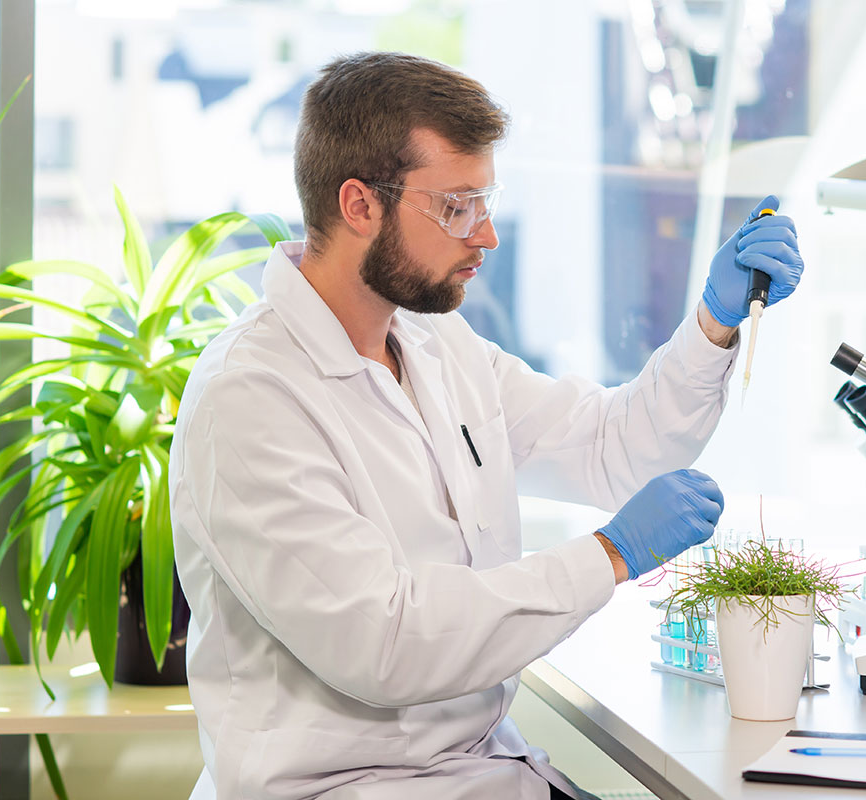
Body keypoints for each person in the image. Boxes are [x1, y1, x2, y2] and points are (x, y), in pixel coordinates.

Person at [169, 51, 804, 800]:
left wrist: (713, 324)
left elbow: (615, 451)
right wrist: (610, 553)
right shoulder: (251, 399)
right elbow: (388, 644)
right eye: (455, 207)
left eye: (486, 201)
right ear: (358, 205)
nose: (487, 236)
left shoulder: (438, 345)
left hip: (482, 775)